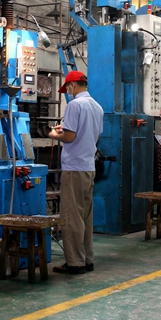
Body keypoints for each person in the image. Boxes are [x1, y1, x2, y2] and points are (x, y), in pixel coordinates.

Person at [48, 71, 103, 275]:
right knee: (85, 217)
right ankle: (87, 259)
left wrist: (54, 134)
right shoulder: (97, 107)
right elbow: (93, 135)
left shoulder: (74, 105)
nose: (68, 92)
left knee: (71, 217)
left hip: (73, 169)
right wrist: (67, 128)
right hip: (88, 167)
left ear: (72, 85)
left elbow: (70, 137)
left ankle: (74, 262)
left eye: (68, 88)